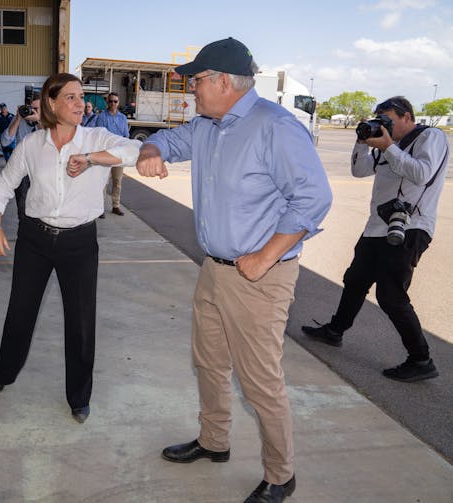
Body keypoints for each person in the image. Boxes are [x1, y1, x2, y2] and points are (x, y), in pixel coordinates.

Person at [135, 38, 332, 503]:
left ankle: (281, 476)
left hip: (260, 277)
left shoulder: (275, 127)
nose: (192, 91)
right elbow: (167, 139)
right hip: (215, 269)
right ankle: (213, 441)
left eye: (197, 81)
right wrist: (149, 148)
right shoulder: (208, 124)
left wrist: (265, 256)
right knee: (208, 362)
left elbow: (314, 199)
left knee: (260, 382)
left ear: (224, 81)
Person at [0, 73, 140, 424]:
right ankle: (4, 374)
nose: (80, 103)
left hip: (79, 242)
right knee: (20, 313)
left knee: (81, 322)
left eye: (81, 96)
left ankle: (79, 398)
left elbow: (135, 151)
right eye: (70, 97)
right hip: (34, 240)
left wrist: (93, 157)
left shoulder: (96, 136)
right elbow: (4, 184)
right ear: (52, 103)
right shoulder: (32, 145)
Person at [302, 96, 449, 382]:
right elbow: (359, 171)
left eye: (389, 120)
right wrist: (361, 142)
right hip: (376, 227)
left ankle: (421, 359)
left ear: (407, 116)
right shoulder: (386, 144)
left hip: (409, 227)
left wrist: (389, 147)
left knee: (391, 295)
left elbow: (421, 173)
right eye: (380, 120)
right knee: (355, 279)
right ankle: (335, 331)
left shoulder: (430, 137)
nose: (385, 126)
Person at [0, 94, 41, 219]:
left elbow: (52, 139)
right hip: (23, 170)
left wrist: (38, 120)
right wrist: (18, 118)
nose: (33, 111)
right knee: (23, 209)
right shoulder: (20, 119)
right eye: (31, 108)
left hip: (42, 170)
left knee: (42, 210)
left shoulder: (47, 121)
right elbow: (5, 141)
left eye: (37, 109)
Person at [95, 92, 130, 216]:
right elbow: (101, 135)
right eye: (111, 101)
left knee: (117, 181)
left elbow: (126, 135)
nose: (113, 104)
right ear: (107, 102)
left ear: (118, 103)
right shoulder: (102, 117)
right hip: (106, 153)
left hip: (119, 154)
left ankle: (116, 205)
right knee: (103, 181)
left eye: (115, 101)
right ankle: (100, 208)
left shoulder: (123, 118)